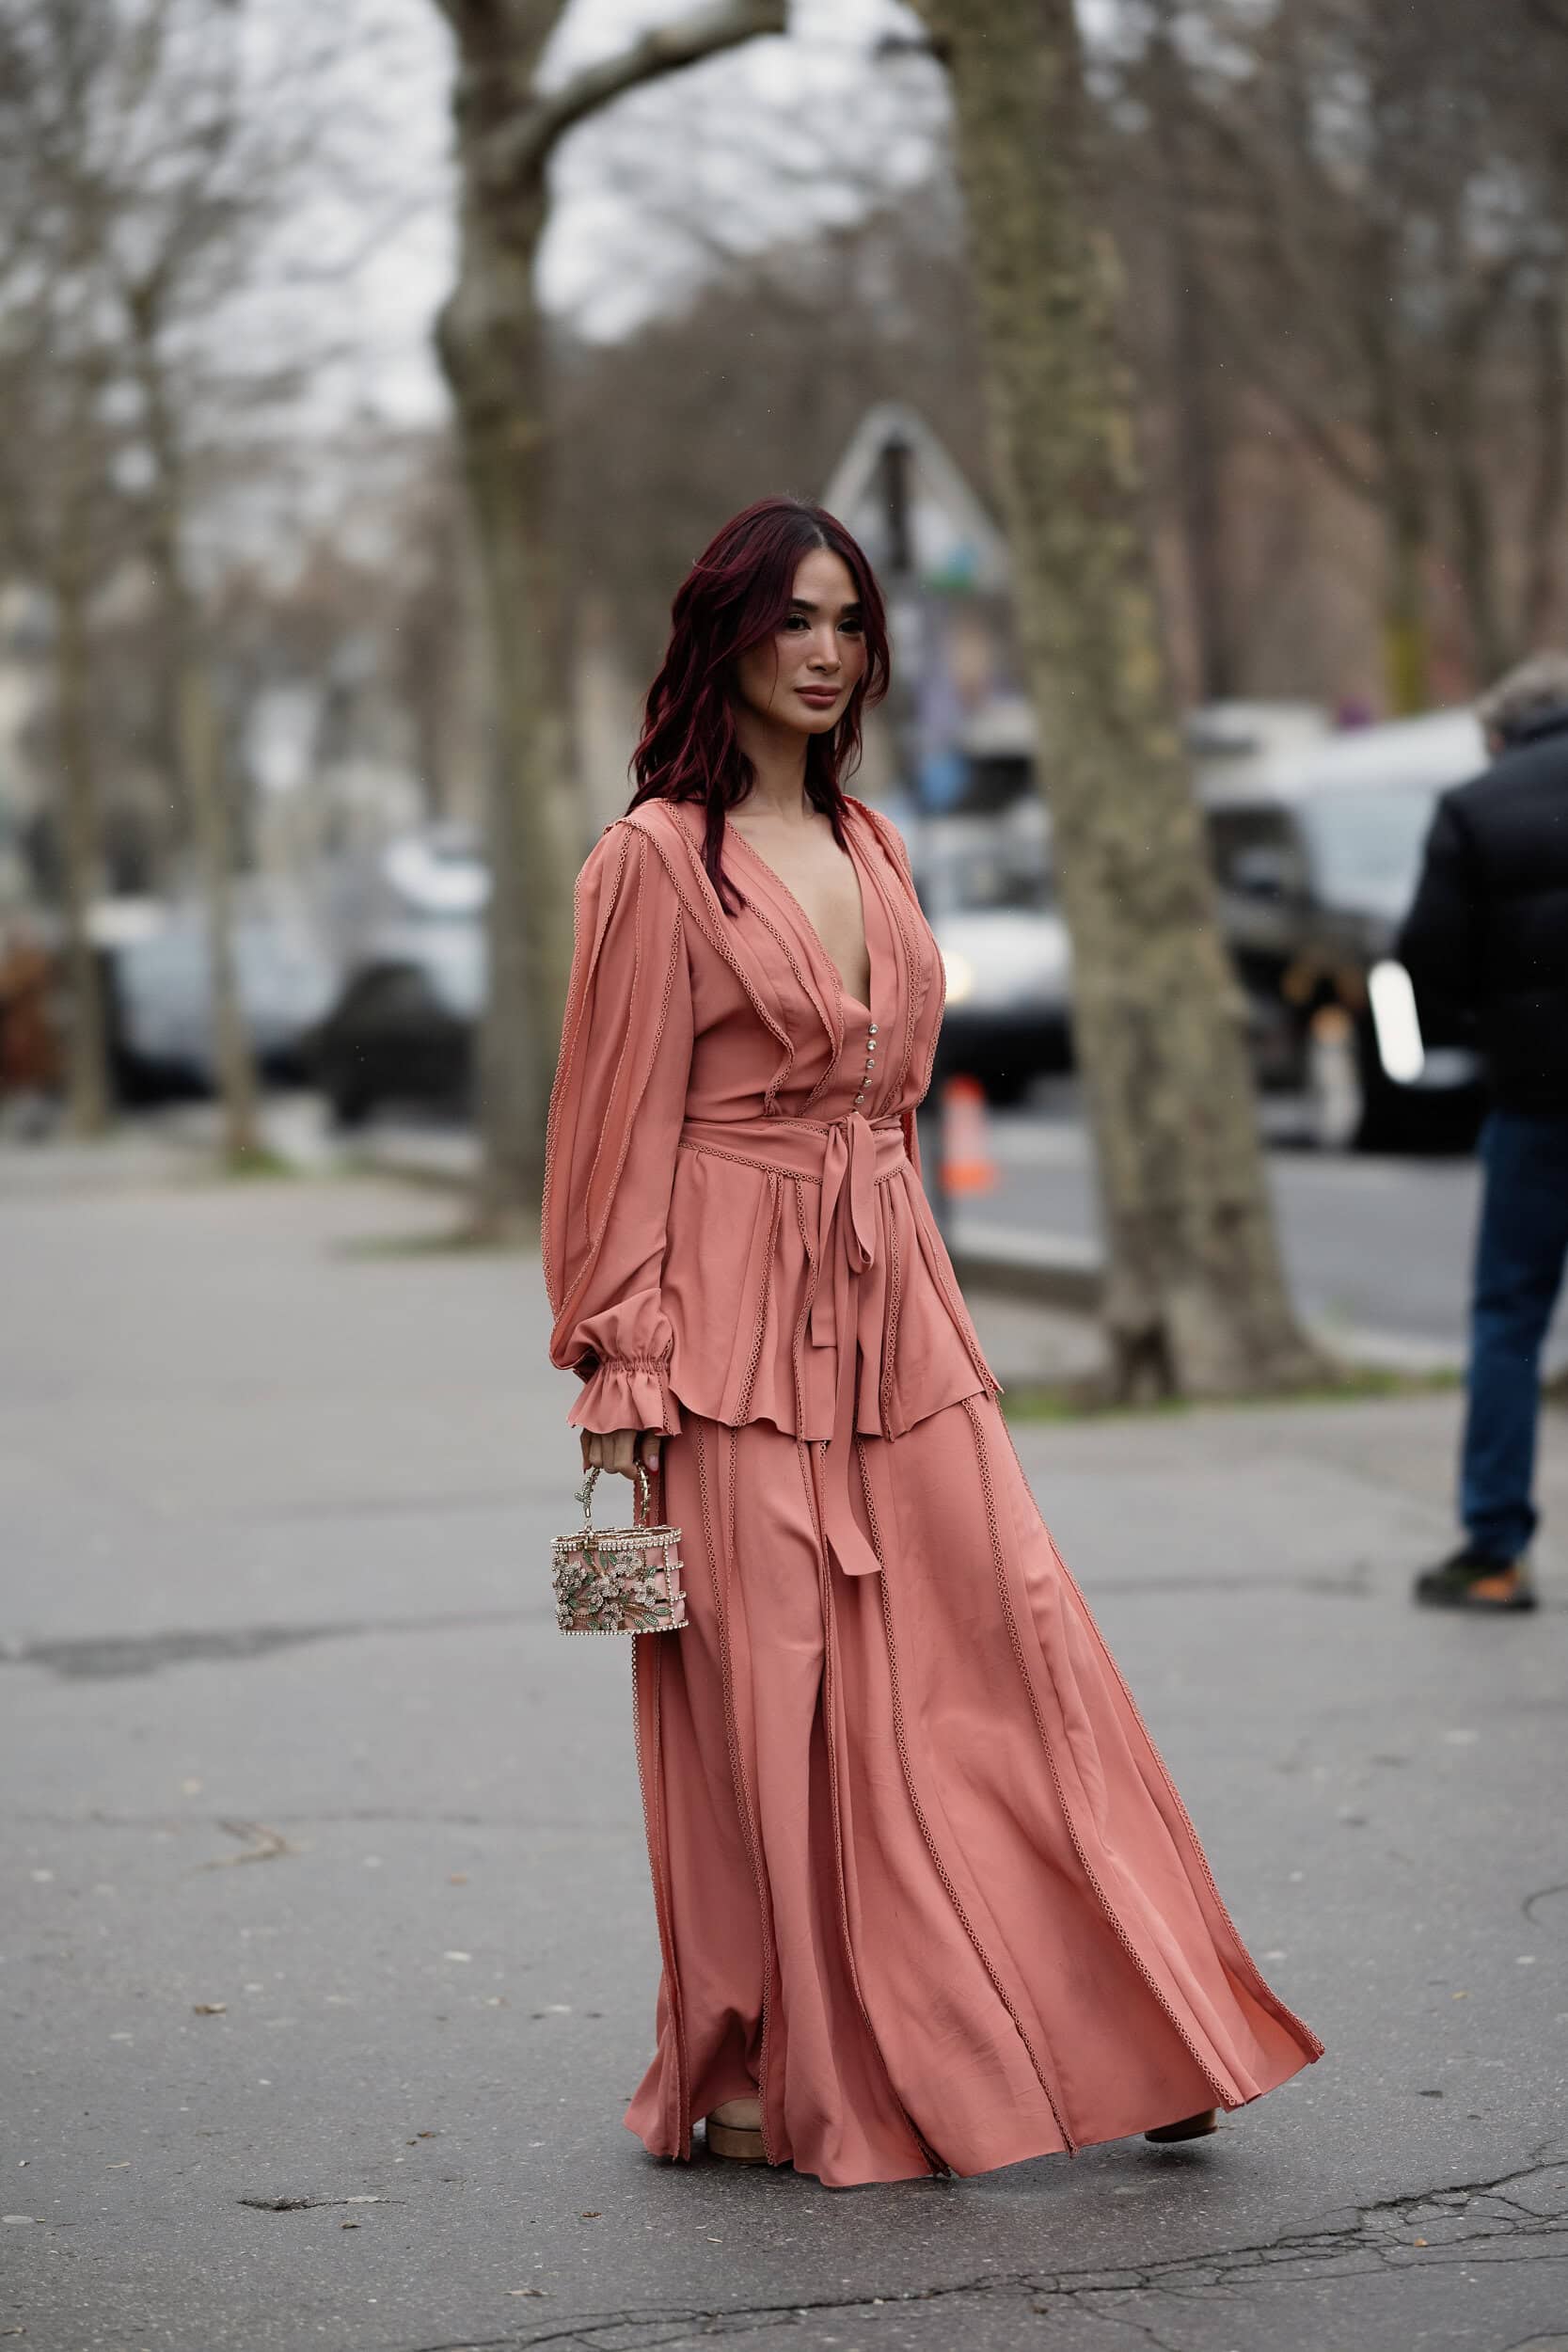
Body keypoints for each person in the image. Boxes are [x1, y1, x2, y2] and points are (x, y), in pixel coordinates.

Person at [541, 496, 1322, 2188]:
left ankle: (1130, 2017)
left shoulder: (879, 846)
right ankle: (767, 2065)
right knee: (772, 1715)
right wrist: (622, 1360)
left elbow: (886, 1103)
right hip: (730, 1338)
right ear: (723, 640)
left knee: (1011, 1660)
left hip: (899, 1315)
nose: (824, 653)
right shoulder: (653, 863)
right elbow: (614, 1132)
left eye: (847, 623)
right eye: (792, 622)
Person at [1398, 652, 1568, 1613]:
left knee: (1508, 1319)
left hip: (1536, 1102)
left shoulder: (1473, 806)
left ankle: (1495, 1550)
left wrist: (1485, 1029)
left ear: (1500, 734)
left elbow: (1426, 962)